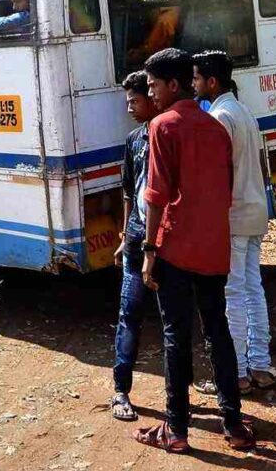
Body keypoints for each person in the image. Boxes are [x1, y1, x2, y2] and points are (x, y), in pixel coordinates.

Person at [134, 47, 255, 454]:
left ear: (173, 84)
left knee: (176, 336)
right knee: (216, 331)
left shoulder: (162, 126)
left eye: (153, 86)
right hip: (214, 247)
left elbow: (156, 195)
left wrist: (150, 249)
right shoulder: (215, 127)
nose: (151, 95)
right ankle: (234, 426)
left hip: (176, 248)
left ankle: (177, 430)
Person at [193, 50, 274, 394]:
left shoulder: (220, 117)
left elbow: (217, 177)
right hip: (255, 212)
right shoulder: (245, 112)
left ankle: (237, 372)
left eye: (196, 78)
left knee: (233, 294)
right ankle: (260, 364)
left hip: (234, 217)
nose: (193, 84)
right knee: (253, 289)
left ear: (212, 82)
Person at [110, 70, 158, 422]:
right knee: (129, 314)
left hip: (165, 243)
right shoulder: (133, 140)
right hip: (138, 239)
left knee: (175, 318)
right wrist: (126, 235)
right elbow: (128, 190)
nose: (130, 107)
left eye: (135, 100)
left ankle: (179, 393)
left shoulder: (167, 135)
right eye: (127, 101)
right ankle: (120, 390)